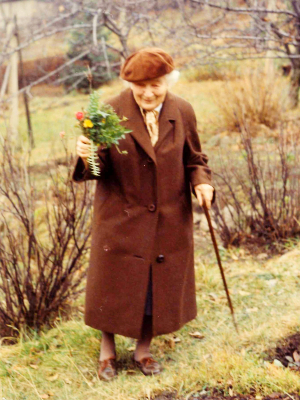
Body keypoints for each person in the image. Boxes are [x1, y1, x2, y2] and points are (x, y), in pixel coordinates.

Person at [72, 47, 215, 381]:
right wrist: (86, 155)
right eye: (141, 86)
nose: (149, 92)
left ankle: (143, 350)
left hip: (168, 216)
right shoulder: (108, 112)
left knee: (157, 283)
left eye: (156, 84)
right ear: (129, 83)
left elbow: (195, 159)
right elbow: (96, 169)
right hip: (120, 216)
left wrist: (203, 184)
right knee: (113, 283)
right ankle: (107, 352)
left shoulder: (182, 111)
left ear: (167, 81)